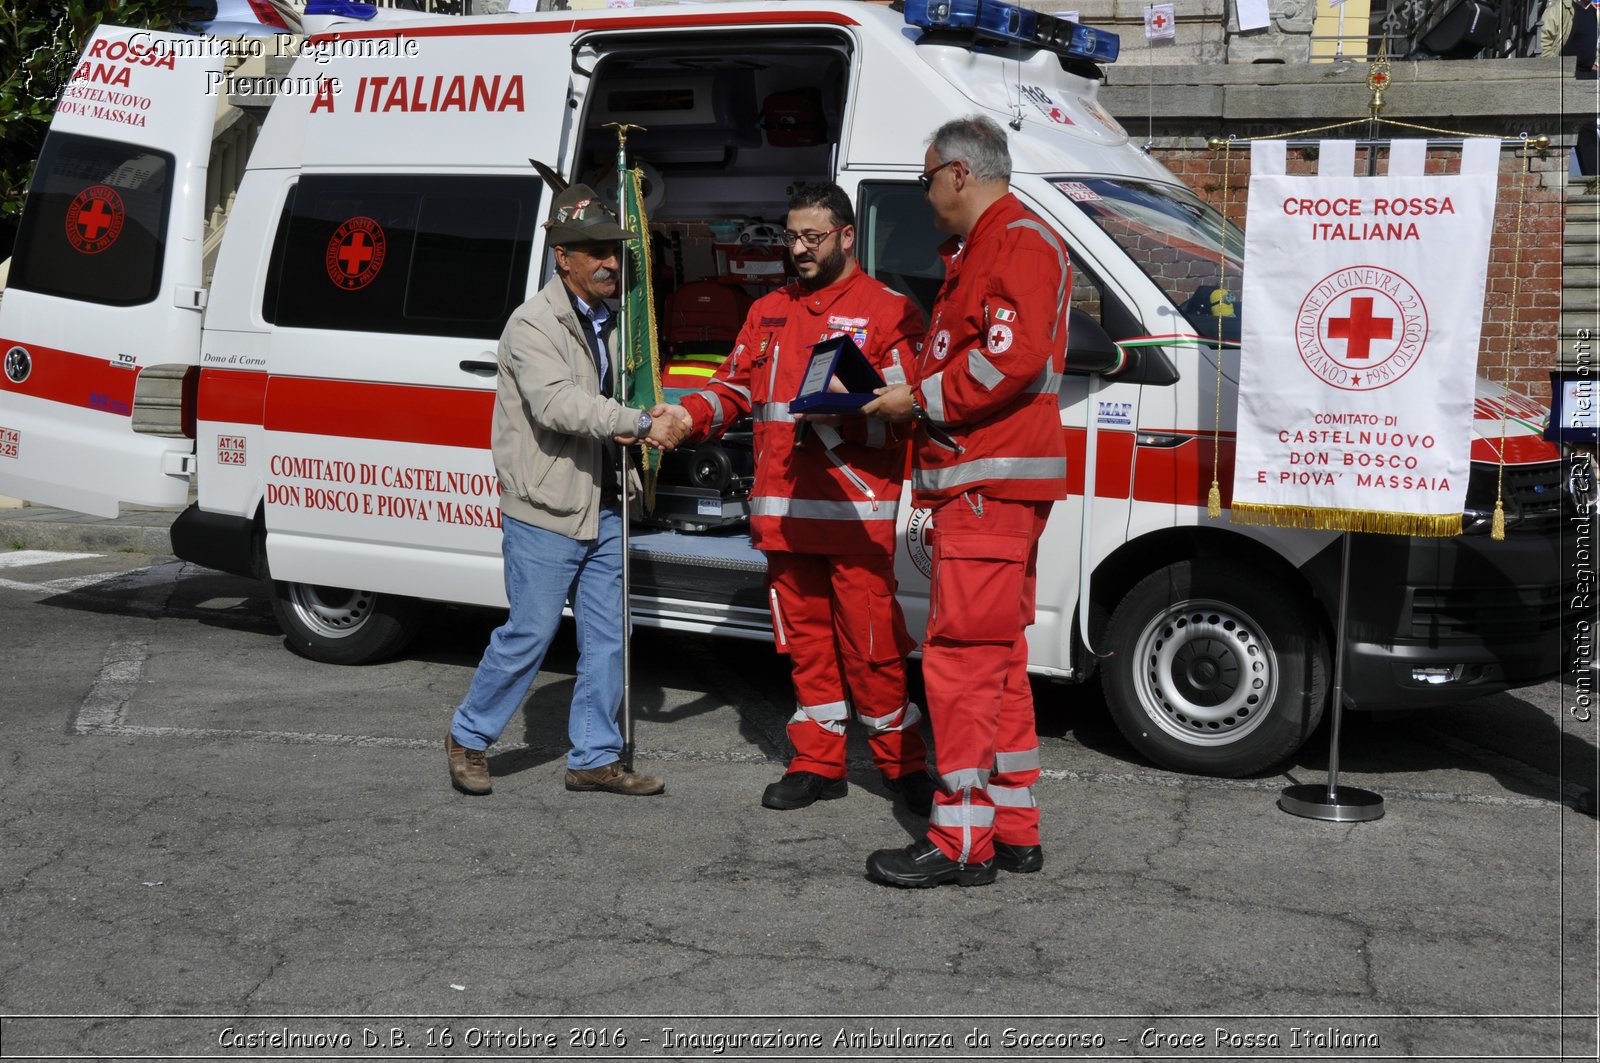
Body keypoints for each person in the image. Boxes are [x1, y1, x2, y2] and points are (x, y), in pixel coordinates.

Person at [657, 183, 936, 815]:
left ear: (845, 235)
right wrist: (686, 415)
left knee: (874, 650)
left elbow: (907, 414)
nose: (800, 249)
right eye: (792, 236)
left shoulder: (888, 312)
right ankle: (818, 761)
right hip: (782, 516)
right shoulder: (768, 311)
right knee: (805, 647)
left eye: (813, 237)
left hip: (852, 517)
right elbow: (730, 387)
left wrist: (849, 411)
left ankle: (903, 764)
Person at [860, 115, 1071, 888]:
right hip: (990, 486)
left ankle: (959, 840)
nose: (925, 195)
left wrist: (917, 401)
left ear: (958, 172)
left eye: (925, 179)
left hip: (989, 484)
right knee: (1000, 661)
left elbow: (1005, 360)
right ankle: (1012, 828)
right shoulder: (989, 246)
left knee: (958, 661)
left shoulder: (1014, 240)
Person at [446, 183, 686, 798]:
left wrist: (650, 409)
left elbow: (618, 394)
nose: (610, 261)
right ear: (563, 257)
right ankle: (469, 738)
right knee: (529, 633)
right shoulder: (532, 323)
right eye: (595, 250)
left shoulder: (614, 321)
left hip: (605, 504)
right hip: (547, 508)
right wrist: (637, 423)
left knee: (609, 637)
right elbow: (557, 405)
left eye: (614, 249)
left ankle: (595, 758)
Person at [1541, 0, 1598, 175]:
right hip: (1564, 73)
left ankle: (1594, 178)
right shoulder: (1560, 8)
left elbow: (1594, 42)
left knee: (1587, 126)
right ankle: (1548, 177)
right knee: (1557, 125)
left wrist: (1595, 63)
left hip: (1586, 75)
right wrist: (1555, 70)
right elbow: (1545, 41)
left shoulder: (1594, 13)